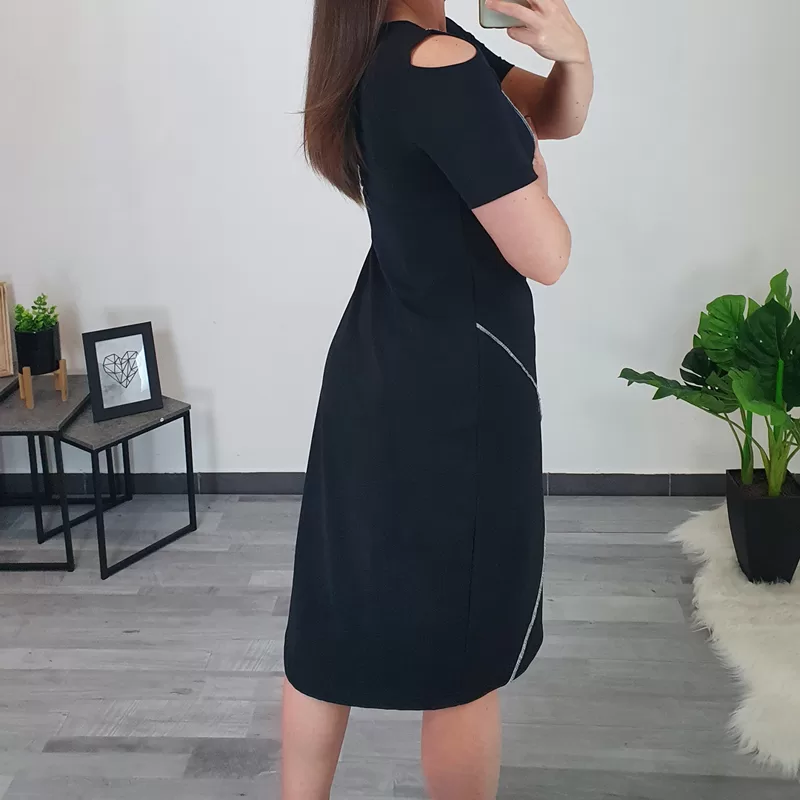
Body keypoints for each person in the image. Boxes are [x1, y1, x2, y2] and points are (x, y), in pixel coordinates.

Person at [283, 0, 593, 797]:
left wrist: (573, 54)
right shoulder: (440, 66)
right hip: (457, 391)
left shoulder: (394, 52)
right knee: (466, 650)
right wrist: (529, 168)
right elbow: (548, 253)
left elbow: (554, 114)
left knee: (329, 618)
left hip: (373, 366)